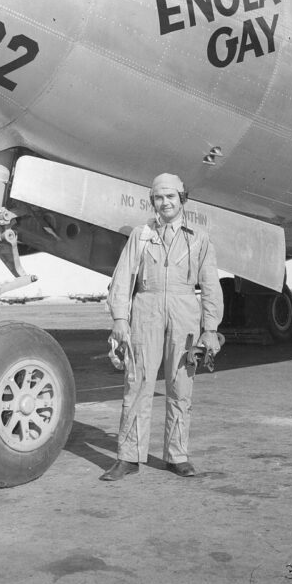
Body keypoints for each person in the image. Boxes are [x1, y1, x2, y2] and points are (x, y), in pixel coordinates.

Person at [100, 173, 224, 481]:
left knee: (180, 387)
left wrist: (210, 328)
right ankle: (128, 457)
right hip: (146, 311)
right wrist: (119, 319)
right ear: (152, 200)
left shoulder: (199, 238)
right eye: (158, 197)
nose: (165, 202)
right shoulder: (140, 235)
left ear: (182, 199)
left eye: (170, 196)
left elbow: (210, 285)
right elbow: (123, 277)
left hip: (185, 313)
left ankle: (177, 455)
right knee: (137, 383)